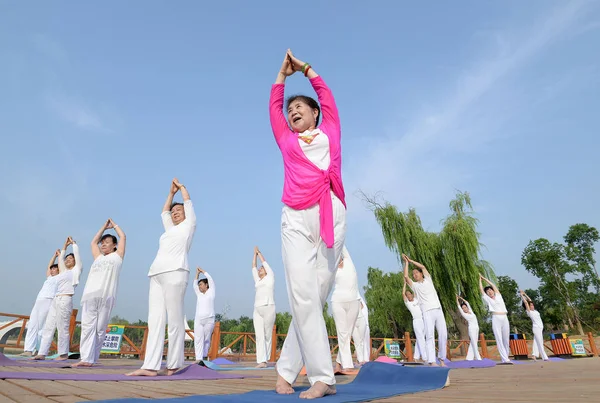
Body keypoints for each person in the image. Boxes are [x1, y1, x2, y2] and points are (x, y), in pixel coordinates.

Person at [270, 49, 346, 399]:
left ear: (315, 113)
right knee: (301, 294)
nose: (293, 110)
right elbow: (274, 108)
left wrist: (306, 69)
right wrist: (282, 77)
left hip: (330, 210)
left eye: (300, 106)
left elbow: (328, 97)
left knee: (314, 295)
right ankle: (323, 377)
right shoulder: (286, 139)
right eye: (290, 109)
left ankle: (286, 370)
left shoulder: (330, 128)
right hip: (295, 217)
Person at [127, 178, 196, 377]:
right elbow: (163, 211)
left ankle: (173, 364)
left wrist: (182, 188)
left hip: (176, 272)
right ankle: (150, 366)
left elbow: (189, 204)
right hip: (156, 273)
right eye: (174, 212)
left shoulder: (189, 225)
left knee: (175, 319)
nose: (175, 213)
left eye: (179, 211)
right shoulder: (169, 230)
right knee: (155, 320)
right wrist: (170, 193)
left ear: (186, 214)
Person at [72, 219, 126, 367]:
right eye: (102, 242)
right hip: (90, 295)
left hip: (107, 297)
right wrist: (103, 227)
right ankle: (85, 359)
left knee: (100, 329)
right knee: (87, 327)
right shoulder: (98, 257)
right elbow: (93, 243)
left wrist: (114, 225)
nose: (103, 244)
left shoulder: (118, 256)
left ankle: (93, 358)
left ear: (114, 245)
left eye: (107, 242)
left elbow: (123, 237)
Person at [34, 236, 82, 360]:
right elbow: (61, 258)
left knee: (62, 328)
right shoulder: (62, 271)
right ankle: (42, 353)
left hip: (66, 299)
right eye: (67, 258)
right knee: (49, 326)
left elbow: (77, 256)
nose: (68, 260)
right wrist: (64, 247)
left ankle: (63, 354)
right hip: (56, 299)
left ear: (75, 261)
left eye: (71, 259)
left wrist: (73, 245)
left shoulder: (76, 270)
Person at [402, 254, 447, 367]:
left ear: (421, 274)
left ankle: (442, 359)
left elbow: (422, 266)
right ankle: (432, 361)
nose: (415, 275)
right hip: (427, 312)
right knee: (430, 335)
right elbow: (406, 277)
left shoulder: (428, 280)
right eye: (414, 274)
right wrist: (406, 263)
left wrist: (411, 260)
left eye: (416, 273)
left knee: (443, 334)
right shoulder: (415, 286)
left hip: (438, 309)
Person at [21, 250, 60, 356]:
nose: (52, 270)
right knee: (32, 324)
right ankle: (28, 350)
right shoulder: (49, 278)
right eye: (51, 269)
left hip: (48, 301)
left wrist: (60, 257)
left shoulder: (59, 278)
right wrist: (54, 256)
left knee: (42, 326)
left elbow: (62, 267)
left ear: (59, 270)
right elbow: (48, 266)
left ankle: (39, 350)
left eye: (54, 268)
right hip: (39, 301)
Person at [331, 247, 361, 373]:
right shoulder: (331, 270)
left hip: (354, 300)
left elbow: (341, 243)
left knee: (347, 334)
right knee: (342, 333)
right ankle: (347, 365)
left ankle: (338, 363)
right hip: (338, 301)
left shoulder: (349, 260)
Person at [252, 247, 276, 368]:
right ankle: (261, 361)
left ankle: (266, 359)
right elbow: (253, 267)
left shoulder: (270, 277)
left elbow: (265, 263)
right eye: (260, 268)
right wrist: (254, 255)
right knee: (259, 335)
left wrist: (259, 253)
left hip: (268, 307)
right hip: (257, 309)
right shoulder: (258, 280)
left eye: (262, 268)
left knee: (267, 334)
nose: (260, 269)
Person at [479, 275, 512, 364]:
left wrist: (484, 278)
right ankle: (505, 358)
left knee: (506, 338)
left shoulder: (498, 296)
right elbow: (481, 291)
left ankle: (506, 357)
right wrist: (480, 280)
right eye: (488, 291)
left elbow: (493, 285)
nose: (489, 292)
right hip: (496, 318)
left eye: (490, 290)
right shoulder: (487, 299)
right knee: (499, 338)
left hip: (504, 317)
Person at [193, 267, 216, 362]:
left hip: (209, 319)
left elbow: (210, 279)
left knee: (206, 339)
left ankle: (204, 356)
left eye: (201, 284)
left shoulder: (211, 292)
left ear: (207, 285)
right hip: (199, 320)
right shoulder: (199, 294)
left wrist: (203, 271)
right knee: (198, 339)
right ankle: (198, 358)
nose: (199, 286)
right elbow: (194, 285)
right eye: (199, 285)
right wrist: (197, 275)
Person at [520, 290, 549, 361]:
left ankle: (534, 355)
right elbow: (526, 303)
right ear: (528, 307)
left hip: (540, 328)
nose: (532, 306)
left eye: (532, 305)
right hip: (536, 328)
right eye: (531, 306)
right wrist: (522, 296)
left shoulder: (535, 311)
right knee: (540, 342)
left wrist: (525, 294)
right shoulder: (529, 312)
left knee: (536, 342)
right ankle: (544, 357)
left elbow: (530, 301)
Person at [402, 280, 427, 362]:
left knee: (421, 338)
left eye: (409, 294)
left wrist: (409, 284)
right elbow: (403, 294)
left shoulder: (416, 299)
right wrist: (405, 284)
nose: (409, 295)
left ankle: (416, 357)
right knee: (420, 338)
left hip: (422, 320)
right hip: (416, 321)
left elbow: (415, 290)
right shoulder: (408, 303)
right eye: (407, 295)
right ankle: (424, 357)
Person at [456, 295, 482, 361]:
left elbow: (467, 302)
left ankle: (469, 357)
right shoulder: (464, 314)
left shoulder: (471, 311)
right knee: (473, 342)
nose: (464, 309)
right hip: (472, 329)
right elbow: (459, 307)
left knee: (474, 342)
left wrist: (460, 297)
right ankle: (478, 357)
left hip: (476, 328)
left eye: (465, 307)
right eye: (463, 308)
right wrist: (457, 299)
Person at [351, 294, 370, 365]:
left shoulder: (362, 306)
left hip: (364, 325)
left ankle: (364, 360)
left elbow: (360, 305)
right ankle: (361, 359)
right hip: (357, 324)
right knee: (358, 343)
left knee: (363, 342)